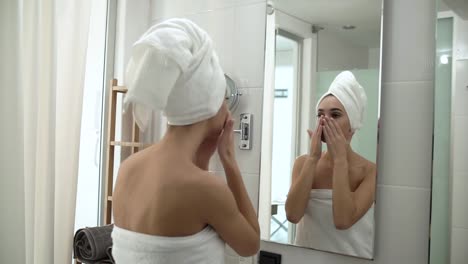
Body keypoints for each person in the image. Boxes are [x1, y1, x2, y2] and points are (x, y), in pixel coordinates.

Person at [111, 18, 260, 264]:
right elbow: (250, 244)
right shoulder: (205, 188)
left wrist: (204, 152)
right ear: (212, 102)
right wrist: (230, 162)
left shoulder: (129, 168)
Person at [285, 71, 376, 258]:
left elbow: (343, 220)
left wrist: (341, 160)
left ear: (352, 125)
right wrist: (312, 159)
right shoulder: (303, 163)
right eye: (320, 115)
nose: (325, 121)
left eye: (335, 115)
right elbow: (293, 215)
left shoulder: (370, 171)